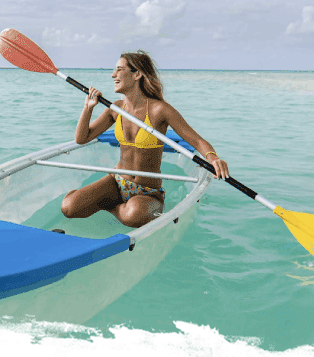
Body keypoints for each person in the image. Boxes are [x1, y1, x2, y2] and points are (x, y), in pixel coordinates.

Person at [61, 50, 229, 228]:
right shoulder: (115, 108)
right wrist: (88, 108)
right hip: (117, 181)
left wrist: (213, 157)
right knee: (69, 207)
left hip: (148, 191)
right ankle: (111, 203)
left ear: (137, 74)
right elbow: (81, 138)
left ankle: (111, 206)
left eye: (119, 69)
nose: (113, 75)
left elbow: (196, 141)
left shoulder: (159, 110)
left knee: (133, 216)